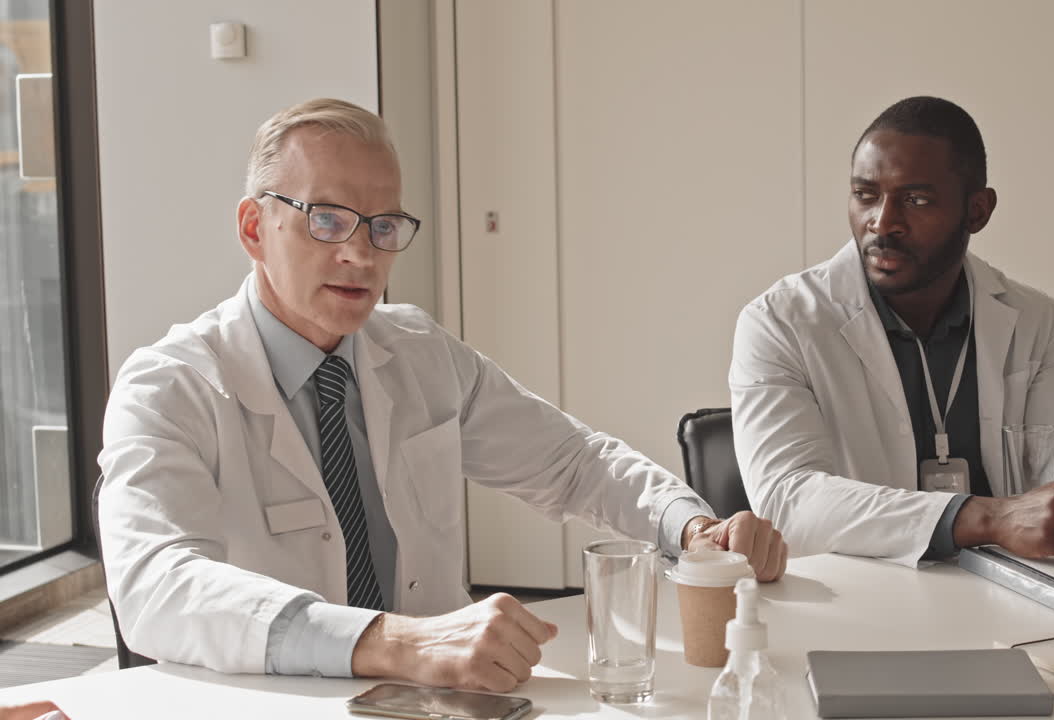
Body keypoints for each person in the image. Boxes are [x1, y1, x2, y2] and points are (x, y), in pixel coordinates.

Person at [98, 98, 786, 692]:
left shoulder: (418, 352)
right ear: (254, 227)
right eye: (329, 220)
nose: (362, 255)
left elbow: (575, 462)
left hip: (441, 701)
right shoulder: (169, 385)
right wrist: (393, 643)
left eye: (384, 227)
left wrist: (690, 529)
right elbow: (156, 585)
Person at [730, 96, 1054, 568]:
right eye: (866, 194)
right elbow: (789, 500)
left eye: (916, 200)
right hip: (859, 599)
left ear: (977, 211)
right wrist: (989, 518)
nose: (883, 222)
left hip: (1010, 601)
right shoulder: (780, 321)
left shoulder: (1033, 317)